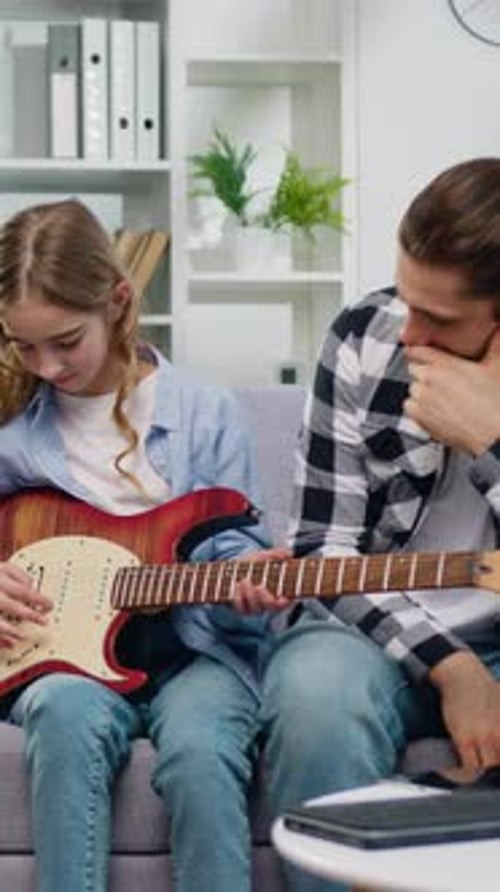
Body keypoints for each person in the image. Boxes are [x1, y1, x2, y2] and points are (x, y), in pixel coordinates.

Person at [0, 198, 283, 892]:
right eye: (24, 345)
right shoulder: (15, 435)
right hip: (63, 655)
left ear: (118, 302)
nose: (47, 366)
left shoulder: (205, 410)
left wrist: (245, 581)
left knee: (200, 748)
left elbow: (236, 545)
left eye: (66, 341)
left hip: (196, 649)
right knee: (63, 716)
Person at [238, 156, 500, 891]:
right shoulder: (365, 334)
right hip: (369, 635)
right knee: (317, 699)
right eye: (409, 298)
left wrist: (489, 440)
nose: (408, 332)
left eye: (439, 320)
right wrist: (457, 669)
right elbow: (325, 553)